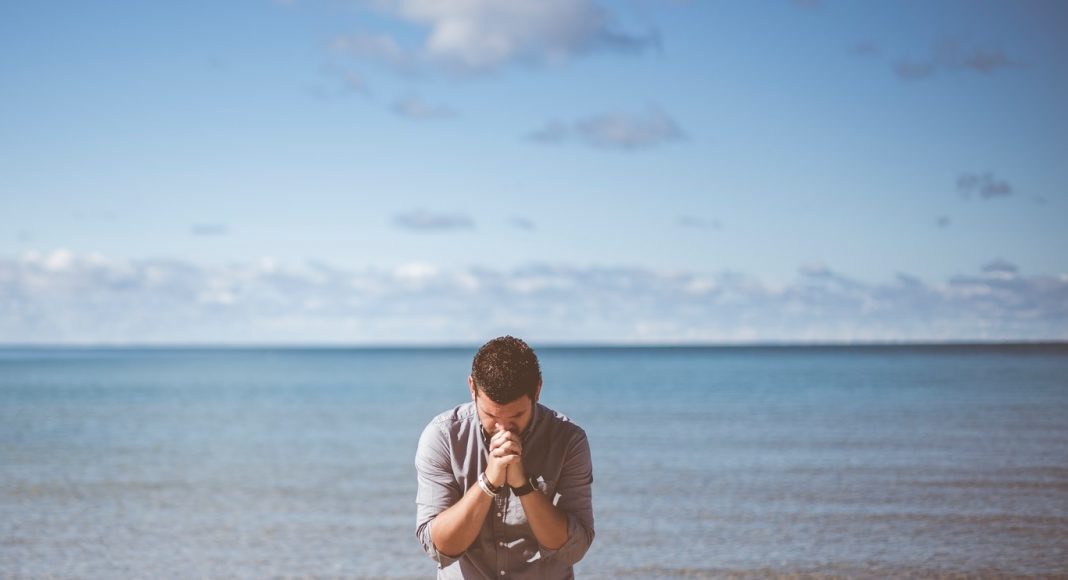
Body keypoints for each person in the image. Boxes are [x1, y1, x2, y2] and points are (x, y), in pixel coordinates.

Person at [414, 336, 595, 579]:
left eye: (516, 416)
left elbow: (573, 550)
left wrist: (524, 486)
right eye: (491, 415)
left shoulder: (568, 440)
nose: (503, 429)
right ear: (472, 387)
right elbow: (438, 548)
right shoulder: (444, 435)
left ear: (537, 390)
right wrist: (488, 482)